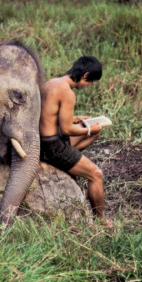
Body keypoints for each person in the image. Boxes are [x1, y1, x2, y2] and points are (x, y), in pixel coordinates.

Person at [39, 56, 112, 228]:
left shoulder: (52, 83)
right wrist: (88, 129)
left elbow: (50, 116)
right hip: (53, 146)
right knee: (96, 174)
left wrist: (79, 119)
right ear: (85, 76)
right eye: (90, 83)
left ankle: (72, 160)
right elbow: (67, 130)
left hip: (43, 140)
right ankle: (101, 221)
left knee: (96, 131)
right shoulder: (68, 93)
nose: (88, 86)